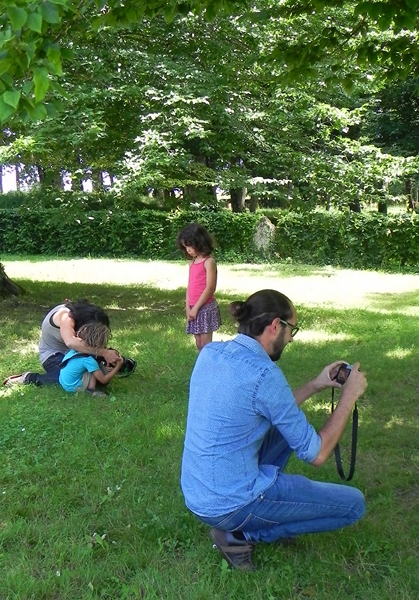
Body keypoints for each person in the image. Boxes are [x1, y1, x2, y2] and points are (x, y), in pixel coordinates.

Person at [181, 289, 368, 571]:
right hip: (230, 503)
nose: (291, 338)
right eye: (292, 329)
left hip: (199, 494)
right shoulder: (264, 374)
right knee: (354, 505)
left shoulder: (210, 353)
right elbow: (317, 454)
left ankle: (247, 520)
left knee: (286, 426)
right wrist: (348, 396)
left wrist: (315, 384)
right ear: (275, 326)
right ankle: (240, 535)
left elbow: (274, 407)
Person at [3, 299, 122, 387]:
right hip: (53, 355)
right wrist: (103, 353)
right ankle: (28, 378)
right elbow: (71, 342)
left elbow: (91, 343)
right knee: (69, 381)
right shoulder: (65, 316)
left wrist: (108, 357)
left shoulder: (84, 319)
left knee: (99, 378)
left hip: (77, 354)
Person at [176, 222, 221, 351]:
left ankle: (208, 362)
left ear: (199, 242)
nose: (188, 250)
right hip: (192, 307)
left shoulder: (209, 262)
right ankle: (202, 363)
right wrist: (188, 308)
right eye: (185, 247)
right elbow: (190, 287)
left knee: (206, 344)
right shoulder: (192, 263)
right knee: (198, 343)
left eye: (189, 246)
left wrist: (196, 308)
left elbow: (210, 288)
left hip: (205, 308)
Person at [59, 322, 124, 397]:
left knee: (94, 366)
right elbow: (104, 380)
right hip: (74, 387)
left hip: (65, 383)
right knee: (93, 366)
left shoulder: (75, 350)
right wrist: (118, 365)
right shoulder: (89, 360)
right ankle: (91, 390)